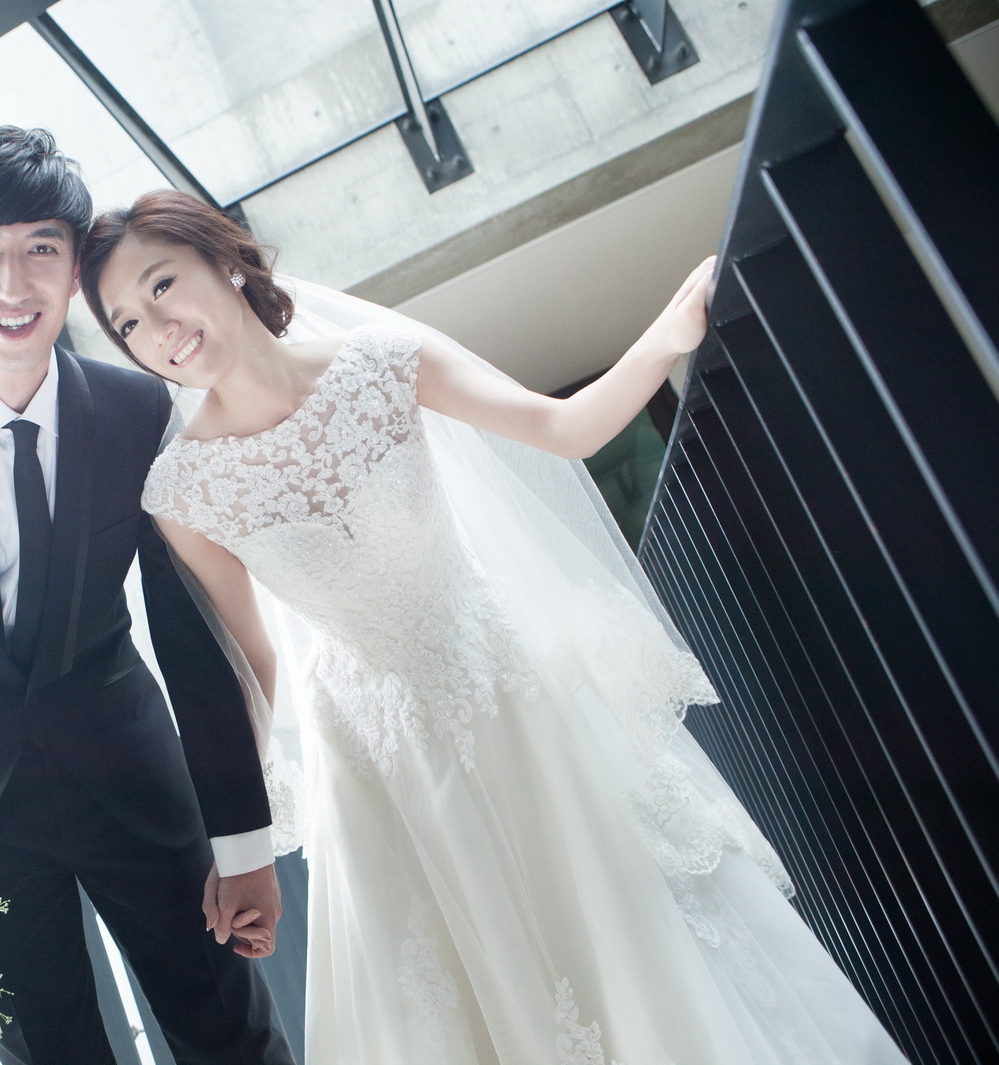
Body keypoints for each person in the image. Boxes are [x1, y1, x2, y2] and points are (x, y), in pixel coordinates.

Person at [79, 188, 912, 1064]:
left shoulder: (381, 362)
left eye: (162, 285)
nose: (157, 329)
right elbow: (253, 667)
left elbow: (562, 427)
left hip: (509, 692)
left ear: (225, 260)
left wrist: (668, 334)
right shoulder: (184, 490)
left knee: (626, 936)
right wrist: (240, 843)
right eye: (127, 324)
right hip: (382, 763)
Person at [0, 131, 294, 1065]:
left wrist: (244, 838)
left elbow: (191, 637)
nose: (13, 283)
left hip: (135, 775)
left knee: (232, 1034)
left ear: (76, 270)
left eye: (41, 247)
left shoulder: (138, 413)